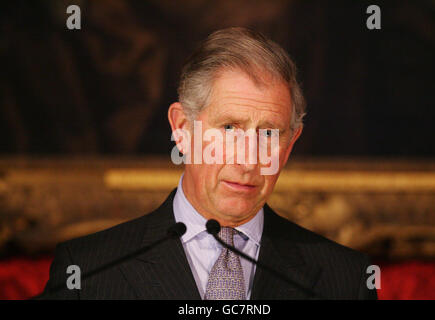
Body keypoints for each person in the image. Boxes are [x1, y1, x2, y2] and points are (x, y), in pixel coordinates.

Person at [43, 27, 377, 300]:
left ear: (289, 146)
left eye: (269, 134)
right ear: (182, 129)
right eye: (230, 128)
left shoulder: (346, 281)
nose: (249, 159)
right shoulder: (88, 272)